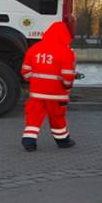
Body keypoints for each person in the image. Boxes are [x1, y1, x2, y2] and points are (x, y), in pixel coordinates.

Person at [20, 21, 77, 151]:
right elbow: (67, 76)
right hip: (56, 94)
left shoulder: (34, 49)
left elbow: (25, 72)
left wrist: (36, 82)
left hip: (36, 93)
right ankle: (63, 141)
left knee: (33, 118)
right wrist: (67, 86)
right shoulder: (66, 52)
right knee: (57, 118)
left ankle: (29, 141)